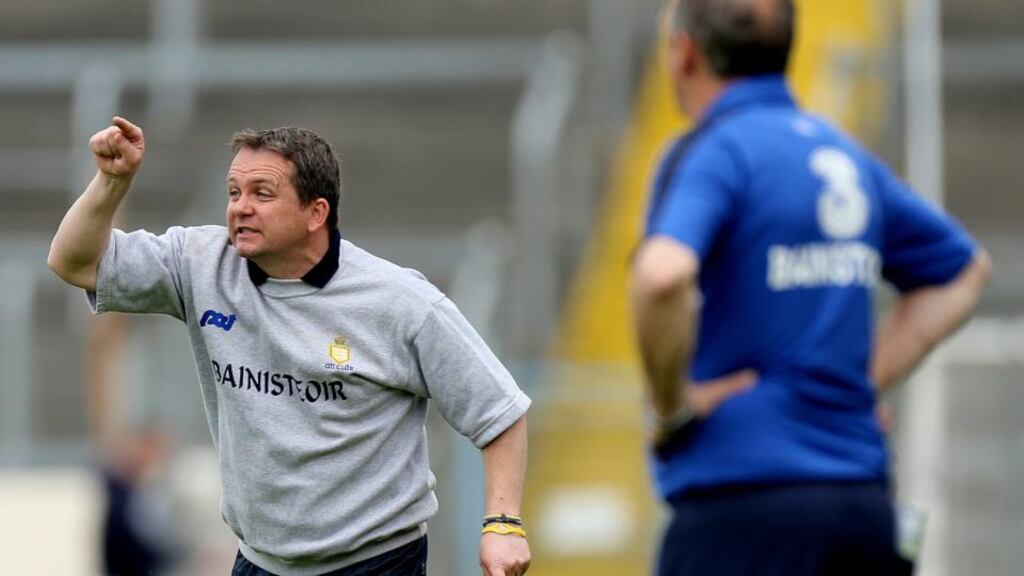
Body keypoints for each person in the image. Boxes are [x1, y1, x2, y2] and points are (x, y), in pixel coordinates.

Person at [48, 118, 532, 576]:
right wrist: (112, 182)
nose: (240, 207)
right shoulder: (199, 264)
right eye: (234, 193)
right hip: (261, 561)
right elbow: (73, 263)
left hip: (376, 560)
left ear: (315, 213)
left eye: (262, 194)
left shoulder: (400, 302)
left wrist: (503, 525)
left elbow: (499, 412)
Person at [630, 0, 992, 574]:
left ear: (684, 53)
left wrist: (671, 407)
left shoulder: (714, 151)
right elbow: (964, 271)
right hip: (862, 509)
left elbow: (661, 273)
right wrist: (856, 383)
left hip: (742, 509)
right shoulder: (840, 151)